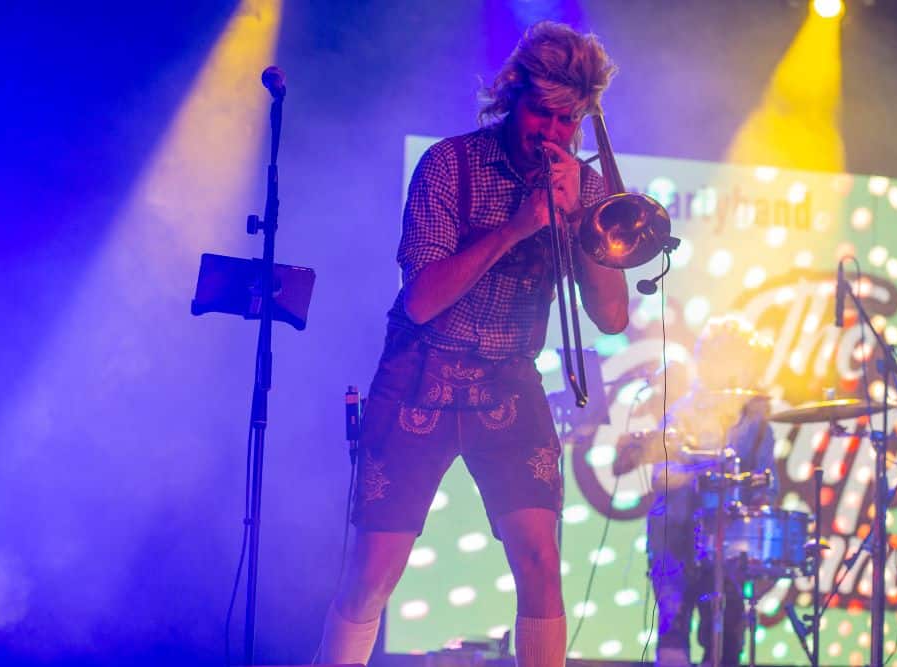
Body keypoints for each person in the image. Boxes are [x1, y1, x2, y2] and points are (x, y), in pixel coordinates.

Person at [319, 21, 627, 667]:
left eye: (567, 120)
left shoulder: (588, 188)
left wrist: (578, 220)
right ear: (512, 95)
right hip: (420, 372)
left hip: (508, 378)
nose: (552, 133)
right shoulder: (448, 163)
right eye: (541, 114)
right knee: (374, 571)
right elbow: (422, 300)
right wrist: (517, 228)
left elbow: (612, 316)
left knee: (541, 560)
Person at [618, 316, 776, 667]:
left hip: (729, 546)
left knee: (729, 641)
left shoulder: (758, 423)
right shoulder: (680, 413)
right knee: (673, 632)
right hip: (675, 535)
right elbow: (661, 476)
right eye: (711, 353)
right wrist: (699, 473)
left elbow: (767, 487)